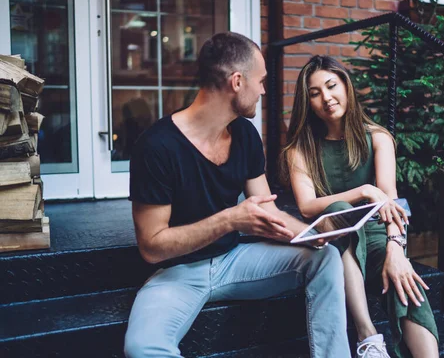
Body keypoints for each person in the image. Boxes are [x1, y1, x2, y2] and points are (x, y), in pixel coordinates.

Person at [124, 33, 351, 358]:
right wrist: (230, 219)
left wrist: (308, 234)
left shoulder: (244, 133)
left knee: (325, 258)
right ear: (236, 81)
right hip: (178, 273)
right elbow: (151, 247)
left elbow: (265, 209)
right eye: (259, 81)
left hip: (235, 261)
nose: (262, 90)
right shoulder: (156, 147)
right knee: (142, 347)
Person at [280, 56, 440, 358]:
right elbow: (307, 206)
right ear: (307, 101)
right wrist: (364, 190)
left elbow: (390, 199)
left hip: (378, 235)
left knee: (404, 281)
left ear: (346, 86)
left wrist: (397, 249)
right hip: (332, 239)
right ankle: (368, 338)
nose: (326, 98)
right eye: (315, 93)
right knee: (338, 207)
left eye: (331, 86)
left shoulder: (377, 138)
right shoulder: (300, 149)